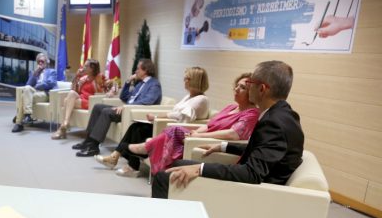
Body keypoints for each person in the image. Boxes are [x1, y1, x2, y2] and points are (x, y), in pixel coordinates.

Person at [152, 60, 304, 199]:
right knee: (178, 164)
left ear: (262, 89)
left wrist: (200, 169)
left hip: (251, 194)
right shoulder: (285, 115)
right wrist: (223, 146)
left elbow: (251, 173)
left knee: (162, 178)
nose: (247, 86)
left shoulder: (274, 123)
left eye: (250, 82)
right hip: (250, 181)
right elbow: (260, 148)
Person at [104, 73, 258, 177]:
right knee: (153, 128)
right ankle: (146, 151)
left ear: (252, 92)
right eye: (237, 85)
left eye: (242, 87)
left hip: (213, 142)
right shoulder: (230, 107)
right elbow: (209, 125)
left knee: (174, 129)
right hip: (201, 135)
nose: (237, 89)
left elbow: (233, 134)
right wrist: (197, 132)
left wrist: (199, 136)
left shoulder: (252, 113)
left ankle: (146, 148)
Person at [94, 65, 210, 173]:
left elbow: (180, 116)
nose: (184, 80)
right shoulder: (189, 96)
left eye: (187, 78)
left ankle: (128, 165)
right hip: (170, 126)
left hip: (177, 132)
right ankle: (116, 157)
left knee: (139, 130)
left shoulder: (201, 99)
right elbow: (175, 112)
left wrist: (157, 117)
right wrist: (158, 117)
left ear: (195, 81)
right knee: (135, 126)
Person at [72, 58, 162, 157]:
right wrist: (128, 82)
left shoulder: (154, 84)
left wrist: (126, 107)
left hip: (132, 111)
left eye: (138, 69)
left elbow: (148, 101)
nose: (136, 71)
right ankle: (88, 140)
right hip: (127, 108)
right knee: (98, 107)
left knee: (106, 112)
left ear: (145, 70)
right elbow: (124, 97)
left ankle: (93, 147)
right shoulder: (140, 83)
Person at [51, 59, 105, 139]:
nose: (83, 67)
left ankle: (62, 128)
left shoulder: (100, 77)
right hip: (81, 99)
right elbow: (73, 89)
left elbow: (112, 85)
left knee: (66, 101)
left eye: (86, 66)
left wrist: (111, 92)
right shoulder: (83, 78)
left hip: (91, 101)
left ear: (92, 68)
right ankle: (65, 123)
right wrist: (77, 76)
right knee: (71, 93)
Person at [12, 52, 57, 133]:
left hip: (45, 93)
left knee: (23, 97)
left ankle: (19, 122)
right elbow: (28, 84)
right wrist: (35, 73)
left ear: (46, 62)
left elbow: (50, 84)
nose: (40, 63)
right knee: (27, 89)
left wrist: (37, 86)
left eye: (42, 61)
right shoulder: (34, 72)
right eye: (38, 61)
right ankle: (27, 115)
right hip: (34, 92)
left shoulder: (52, 71)